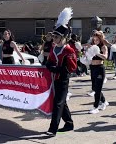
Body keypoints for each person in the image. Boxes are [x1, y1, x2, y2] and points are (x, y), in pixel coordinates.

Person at [45, 8, 77, 137]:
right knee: (61, 102)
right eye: (53, 36)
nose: (54, 38)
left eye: (56, 36)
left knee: (57, 103)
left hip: (63, 80)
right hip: (54, 79)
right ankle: (69, 123)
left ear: (63, 37)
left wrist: (56, 69)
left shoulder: (69, 51)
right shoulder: (54, 48)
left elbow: (72, 68)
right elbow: (50, 60)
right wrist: (48, 65)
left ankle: (53, 129)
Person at [88, 31, 109, 114]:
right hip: (92, 68)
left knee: (98, 89)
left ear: (100, 39)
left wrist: (97, 53)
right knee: (94, 88)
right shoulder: (92, 46)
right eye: (94, 39)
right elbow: (89, 56)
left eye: (97, 39)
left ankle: (95, 106)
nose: (95, 41)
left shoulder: (103, 47)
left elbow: (105, 57)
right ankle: (104, 101)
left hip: (100, 68)